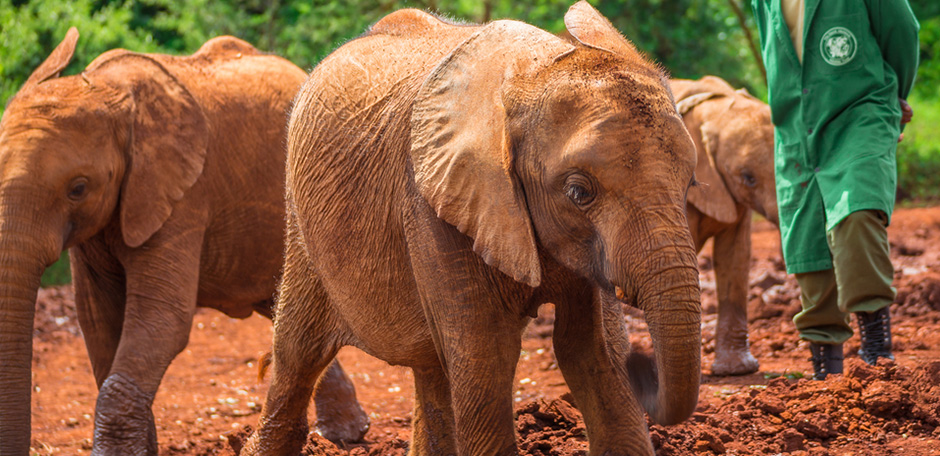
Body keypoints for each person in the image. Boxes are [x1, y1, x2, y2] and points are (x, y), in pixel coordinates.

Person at [750, 0, 920, 379]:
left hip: (860, 113)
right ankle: (826, 372)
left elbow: (903, 34)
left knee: (856, 214)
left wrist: (893, 100)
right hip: (797, 126)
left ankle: (877, 352)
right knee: (807, 243)